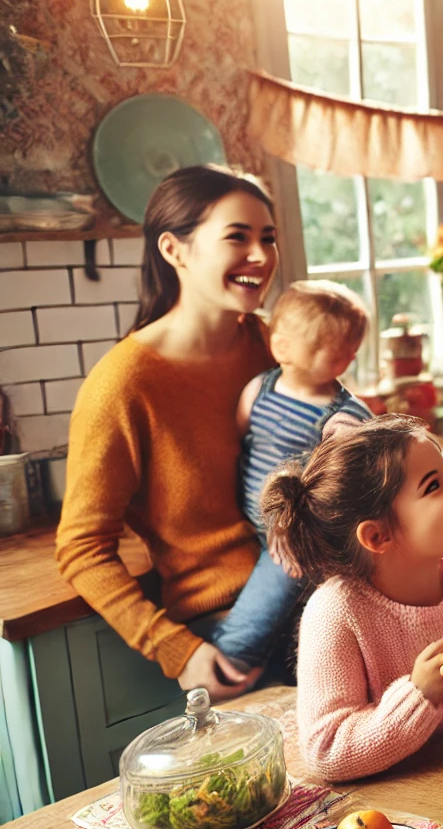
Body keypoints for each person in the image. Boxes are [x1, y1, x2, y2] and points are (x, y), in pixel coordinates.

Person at [58, 165, 281, 701]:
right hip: (233, 630)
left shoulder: (271, 344)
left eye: (268, 239)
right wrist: (173, 647)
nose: (261, 256)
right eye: (238, 237)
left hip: (321, 592)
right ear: (174, 250)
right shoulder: (123, 383)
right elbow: (81, 547)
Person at [270, 415, 443, 781]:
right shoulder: (334, 614)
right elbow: (326, 751)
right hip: (398, 810)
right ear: (376, 537)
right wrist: (417, 697)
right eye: (434, 486)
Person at [207, 280, 374, 674]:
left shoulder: (341, 417)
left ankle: (224, 669)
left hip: (295, 540)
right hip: (253, 530)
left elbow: (341, 490)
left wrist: (296, 524)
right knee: (294, 635)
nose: (345, 358)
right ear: (280, 347)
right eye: (327, 348)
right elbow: (239, 448)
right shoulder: (259, 391)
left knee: (254, 621)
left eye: (348, 351)